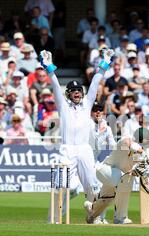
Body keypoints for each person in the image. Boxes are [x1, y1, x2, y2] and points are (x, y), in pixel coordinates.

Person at [40, 48, 114, 223]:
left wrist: (104, 64)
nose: (77, 92)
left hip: (84, 150)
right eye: (73, 91)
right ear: (69, 94)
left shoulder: (87, 103)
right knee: (65, 188)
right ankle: (54, 219)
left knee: (94, 188)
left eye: (79, 90)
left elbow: (95, 83)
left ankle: (96, 217)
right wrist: (49, 67)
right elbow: (56, 87)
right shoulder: (63, 106)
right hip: (67, 151)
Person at [87, 128, 149, 224]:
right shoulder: (126, 141)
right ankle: (120, 217)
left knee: (107, 199)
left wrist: (140, 168)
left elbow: (135, 170)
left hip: (116, 176)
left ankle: (92, 210)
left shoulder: (141, 154)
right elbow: (128, 143)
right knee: (126, 180)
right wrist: (141, 152)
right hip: (105, 170)